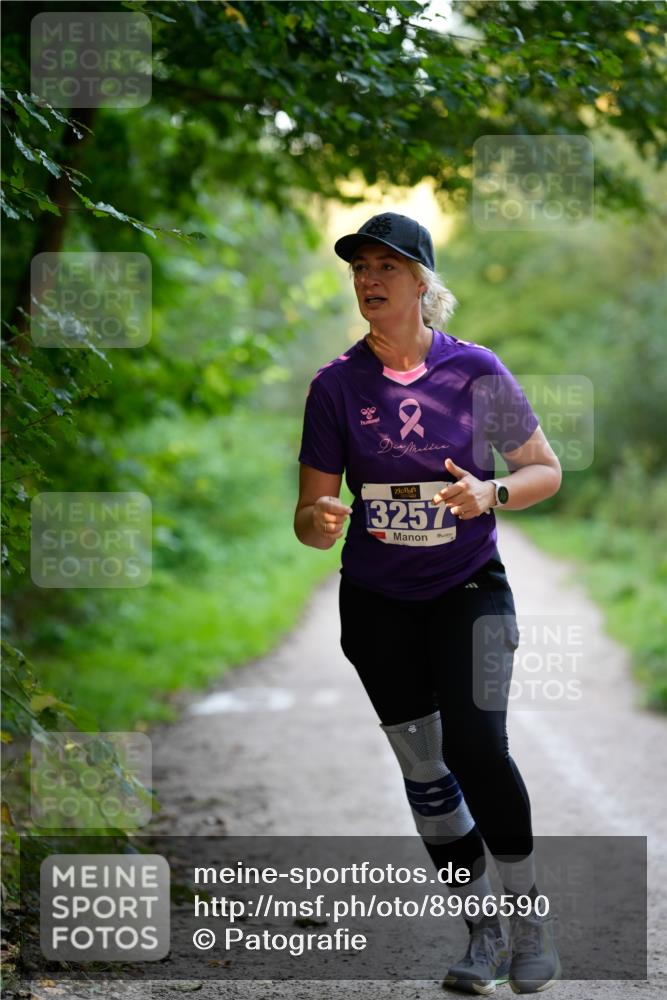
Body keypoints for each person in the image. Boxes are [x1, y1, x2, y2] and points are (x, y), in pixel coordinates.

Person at [294, 211, 562, 995]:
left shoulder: (475, 370)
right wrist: (318, 520)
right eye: (359, 268)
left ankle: (528, 922)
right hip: (376, 600)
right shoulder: (334, 385)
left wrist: (491, 492)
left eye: (385, 266)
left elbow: (543, 470)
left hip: (468, 586)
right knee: (424, 767)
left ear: (421, 282)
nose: (368, 280)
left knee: (477, 747)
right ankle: (481, 933)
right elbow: (308, 517)